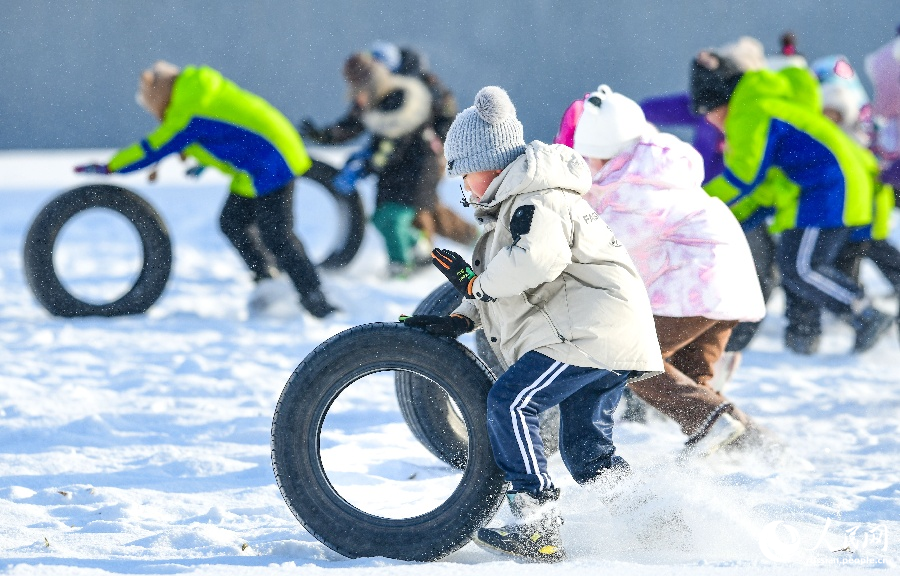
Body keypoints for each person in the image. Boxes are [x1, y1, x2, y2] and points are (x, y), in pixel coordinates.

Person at [402, 86, 662, 562]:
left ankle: (536, 524)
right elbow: (512, 287)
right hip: (605, 335)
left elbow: (534, 263)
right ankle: (656, 523)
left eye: (464, 173)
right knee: (587, 452)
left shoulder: (534, 201)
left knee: (511, 402)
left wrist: (475, 285)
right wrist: (459, 319)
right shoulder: (516, 208)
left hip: (589, 335)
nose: (461, 186)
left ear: (490, 165)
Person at [571, 85, 767, 454]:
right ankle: (755, 447)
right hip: (729, 284)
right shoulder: (657, 169)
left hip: (698, 285)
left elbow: (605, 246)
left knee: (629, 358)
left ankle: (712, 426)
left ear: (609, 155)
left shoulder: (632, 187)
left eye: (592, 159)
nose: (589, 168)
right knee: (694, 383)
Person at [73, 61, 337, 318]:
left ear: (160, 98)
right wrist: (203, 162)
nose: (156, 116)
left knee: (276, 233)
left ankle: (315, 297)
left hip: (273, 160)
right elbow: (225, 130)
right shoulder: (195, 91)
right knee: (232, 221)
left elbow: (153, 147)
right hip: (257, 161)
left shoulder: (188, 111)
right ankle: (267, 277)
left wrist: (110, 167)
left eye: (153, 108)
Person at [694, 51, 893, 354]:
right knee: (798, 265)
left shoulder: (749, 110)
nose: (709, 122)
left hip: (829, 187)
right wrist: (729, 217)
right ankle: (855, 317)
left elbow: (744, 178)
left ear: (717, 102)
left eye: (707, 112)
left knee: (801, 267)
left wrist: (696, 203)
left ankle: (865, 314)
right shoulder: (762, 101)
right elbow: (761, 189)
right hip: (831, 185)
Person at [301, 47, 476, 277]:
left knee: (406, 214)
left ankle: (417, 265)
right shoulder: (378, 90)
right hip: (400, 163)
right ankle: (463, 242)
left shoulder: (408, 90)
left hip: (424, 159)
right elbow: (358, 122)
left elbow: (397, 135)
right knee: (417, 210)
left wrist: (370, 162)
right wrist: (326, 136)